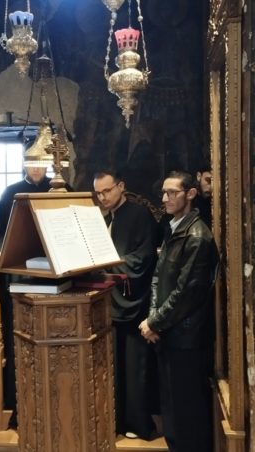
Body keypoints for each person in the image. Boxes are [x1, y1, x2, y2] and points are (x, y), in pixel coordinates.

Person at [139, 170, 219, 452]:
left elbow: (186, 294)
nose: (165, 198)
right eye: (164, 192)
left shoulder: (197, 236)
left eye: (172, 192)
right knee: (172, 408)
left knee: (187, 412)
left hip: (186, 337)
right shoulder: (174, 227)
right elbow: (158, 278)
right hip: (168, 332)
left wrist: (155, 322)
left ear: (191, 194)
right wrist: (153, 319)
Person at [93, 170, 159, 440]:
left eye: (107, 191)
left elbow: (143, 258)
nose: (102, 197)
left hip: (133, 303)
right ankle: (115, 420)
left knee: (135, 368)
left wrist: (108, 263)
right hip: (107, 302)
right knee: (112, 366)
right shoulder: (102, 218)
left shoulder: (139, 215)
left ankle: (137, 423)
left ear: (121, 186)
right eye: (98, 193)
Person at [0, 163, 52, 420]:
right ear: (25, 164)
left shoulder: (58, 189)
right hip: (19, 269)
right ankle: (19, 403)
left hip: (52, 270)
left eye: (40, 164)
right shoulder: (12, 192)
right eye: (31, 163)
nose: (36, 169)